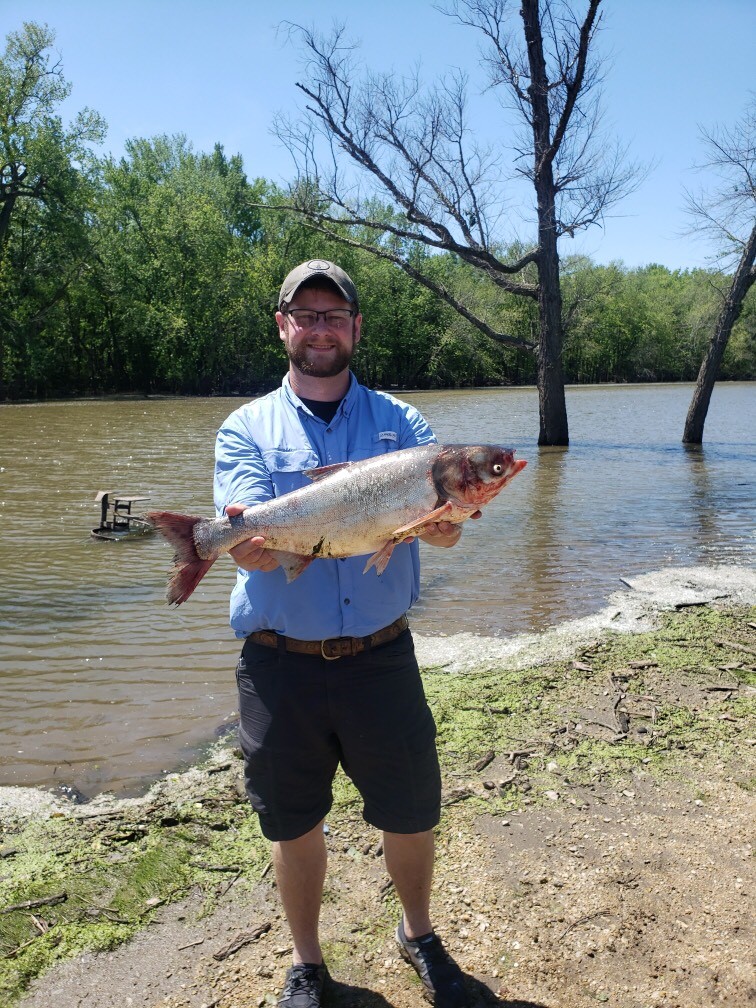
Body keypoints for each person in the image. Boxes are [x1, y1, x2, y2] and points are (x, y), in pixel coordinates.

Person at [214, 259, 472, 1008]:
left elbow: (445, 536)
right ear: (283, 326)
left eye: (334, 315)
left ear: (355, 327)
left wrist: (447, 522)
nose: (320, 328)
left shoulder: (406, 427)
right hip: (278, 666)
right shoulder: (245, 429)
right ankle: (306, 964)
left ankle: (418, 933)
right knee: (292, 823)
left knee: (412, 810)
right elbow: (247, 523)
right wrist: (242, 543)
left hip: (380, 659)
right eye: (306, 314)